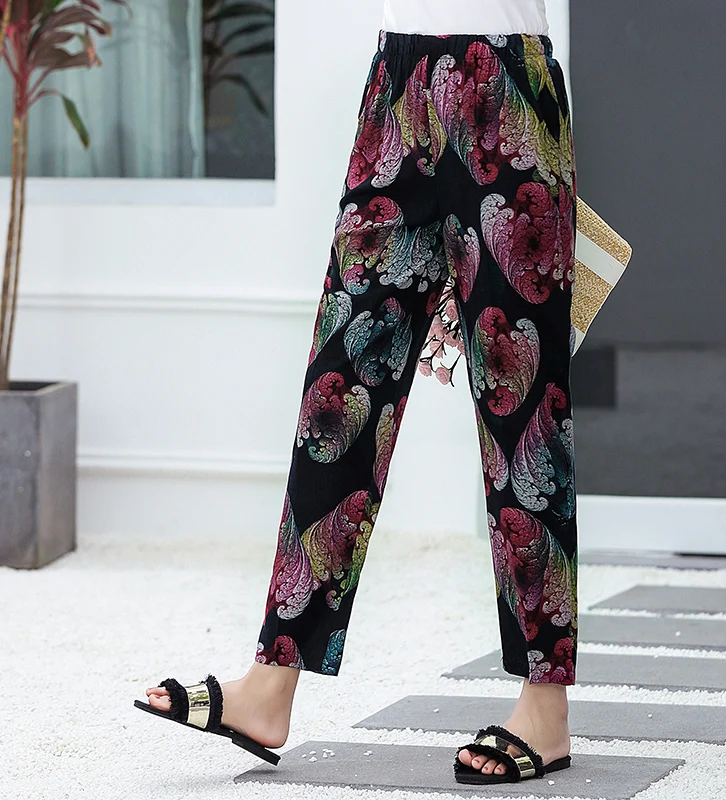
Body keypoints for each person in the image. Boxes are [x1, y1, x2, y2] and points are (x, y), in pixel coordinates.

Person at [135, 0, 577, 785]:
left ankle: (545, 709)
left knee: (522, 414)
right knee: (337, 398)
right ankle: (271, 682)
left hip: (505, 83)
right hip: (395, 86)